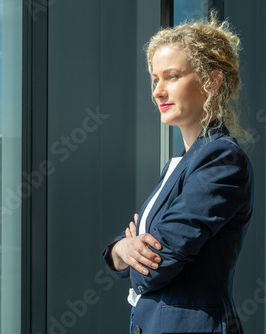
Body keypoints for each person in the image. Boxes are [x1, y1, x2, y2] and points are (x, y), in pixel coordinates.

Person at [102, 12, 254, 334]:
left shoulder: (221, 159)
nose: (158, 91)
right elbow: (118, 256)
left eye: (171, 76)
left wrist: (130, 252)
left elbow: (154, 267)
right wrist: (123, 249)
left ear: (211, 82)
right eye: (155, 78)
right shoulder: (182, 162)